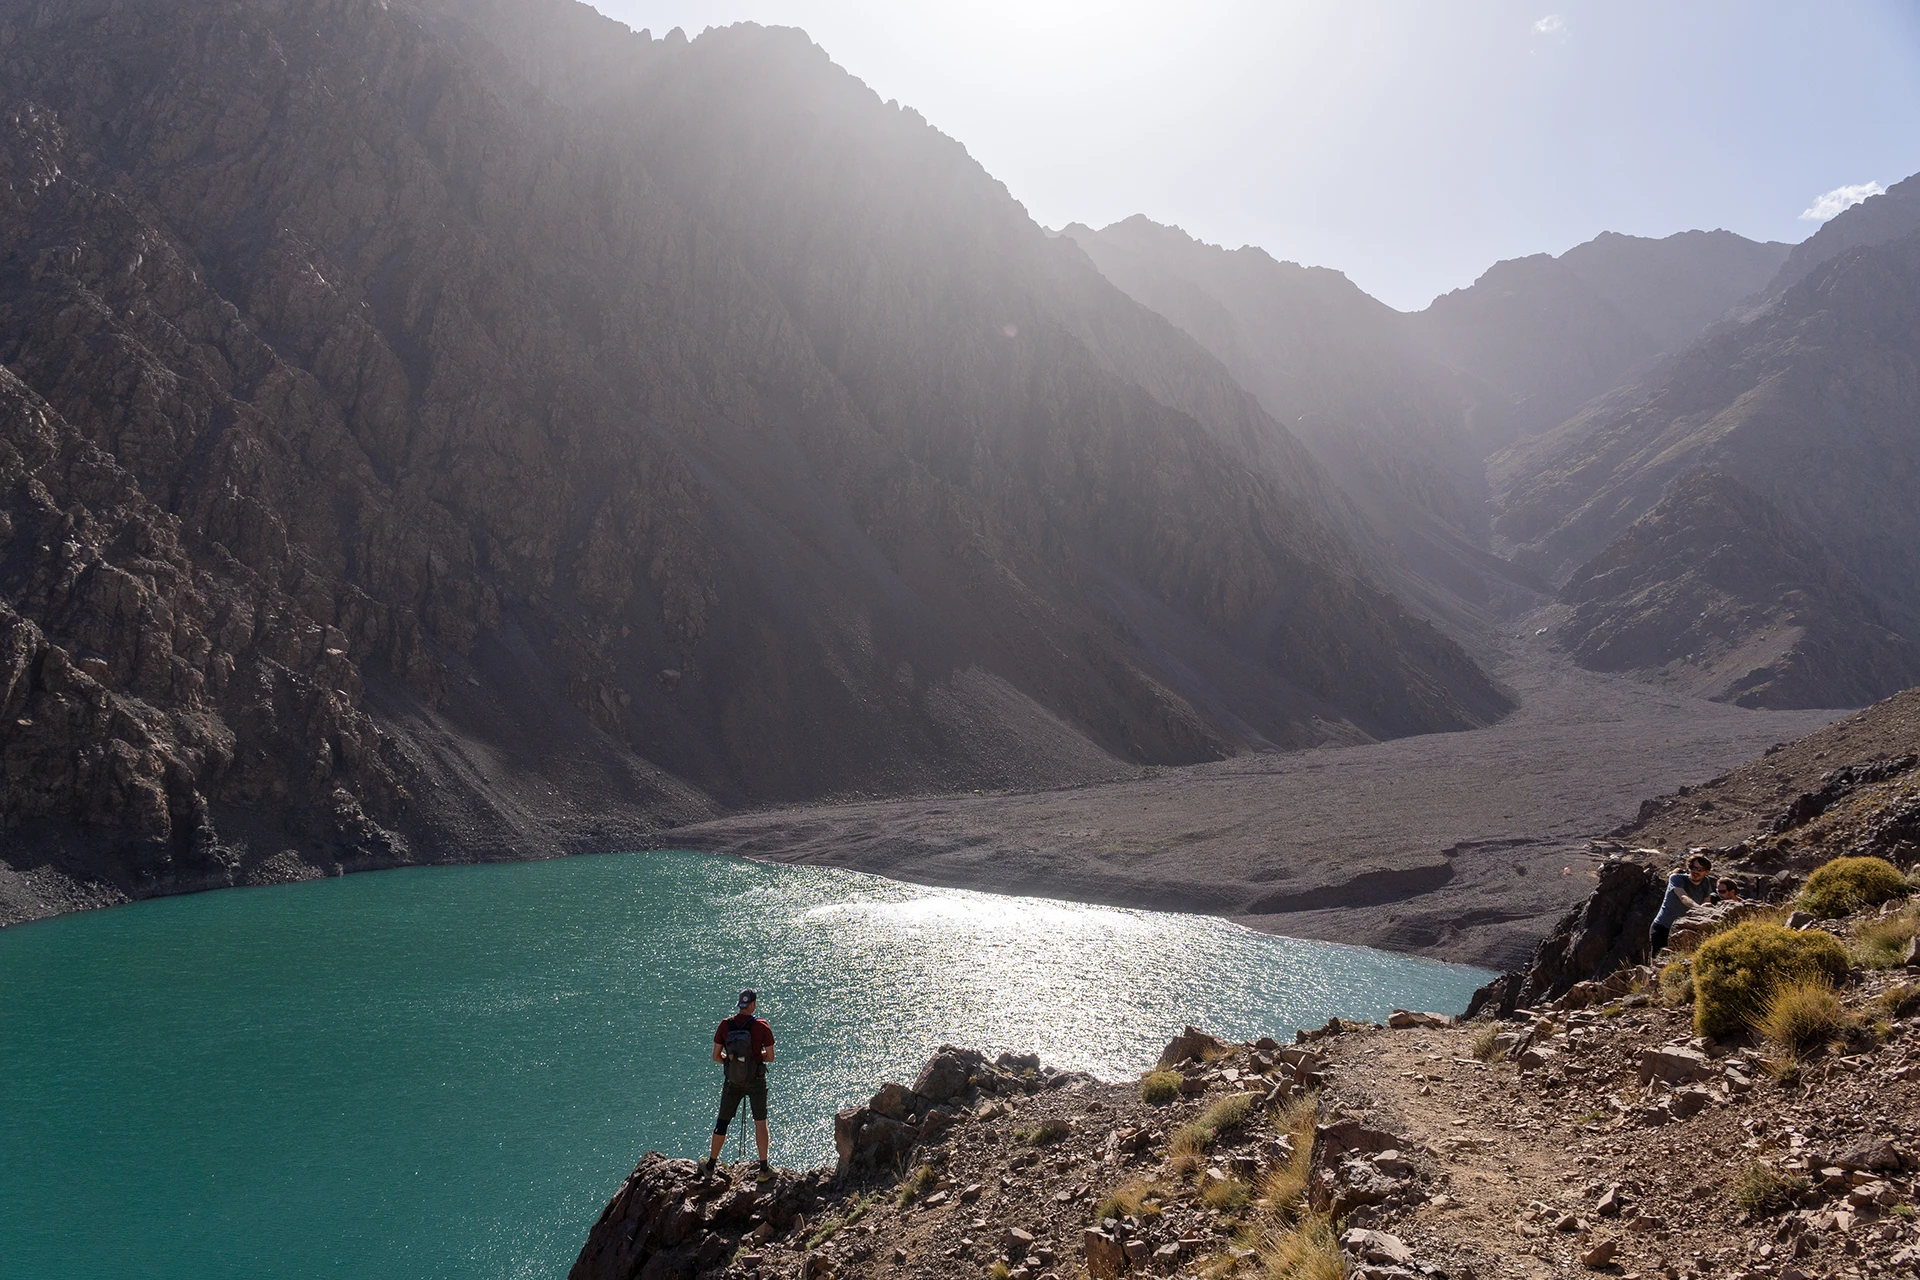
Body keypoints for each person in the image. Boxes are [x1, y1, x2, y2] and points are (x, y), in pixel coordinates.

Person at [700, 989, 775, 1179]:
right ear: (753, 1004)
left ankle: (710, 1165)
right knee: (760, 1122)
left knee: (722, 1122)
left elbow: (716, 1056)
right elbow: (771, 1057)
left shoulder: (726, 1025)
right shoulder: (761, 1025)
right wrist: (755, 1058)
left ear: (740, 1005)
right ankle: (764, 1169)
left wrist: (732, 1061)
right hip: (756, 1081)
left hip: (732, 1081)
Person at [1648, 852, 1713, 957]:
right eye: (1693, 867)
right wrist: (1700, 909)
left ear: (1707, 872)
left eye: (1700, 869)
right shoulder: (1677, 878)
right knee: (1658, 962)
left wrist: (1707, 910)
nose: (1695, 871)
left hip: (1685, 929)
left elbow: (1707, 902)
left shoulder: (1705, 882)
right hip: (1663, 927)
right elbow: (1683, 898)